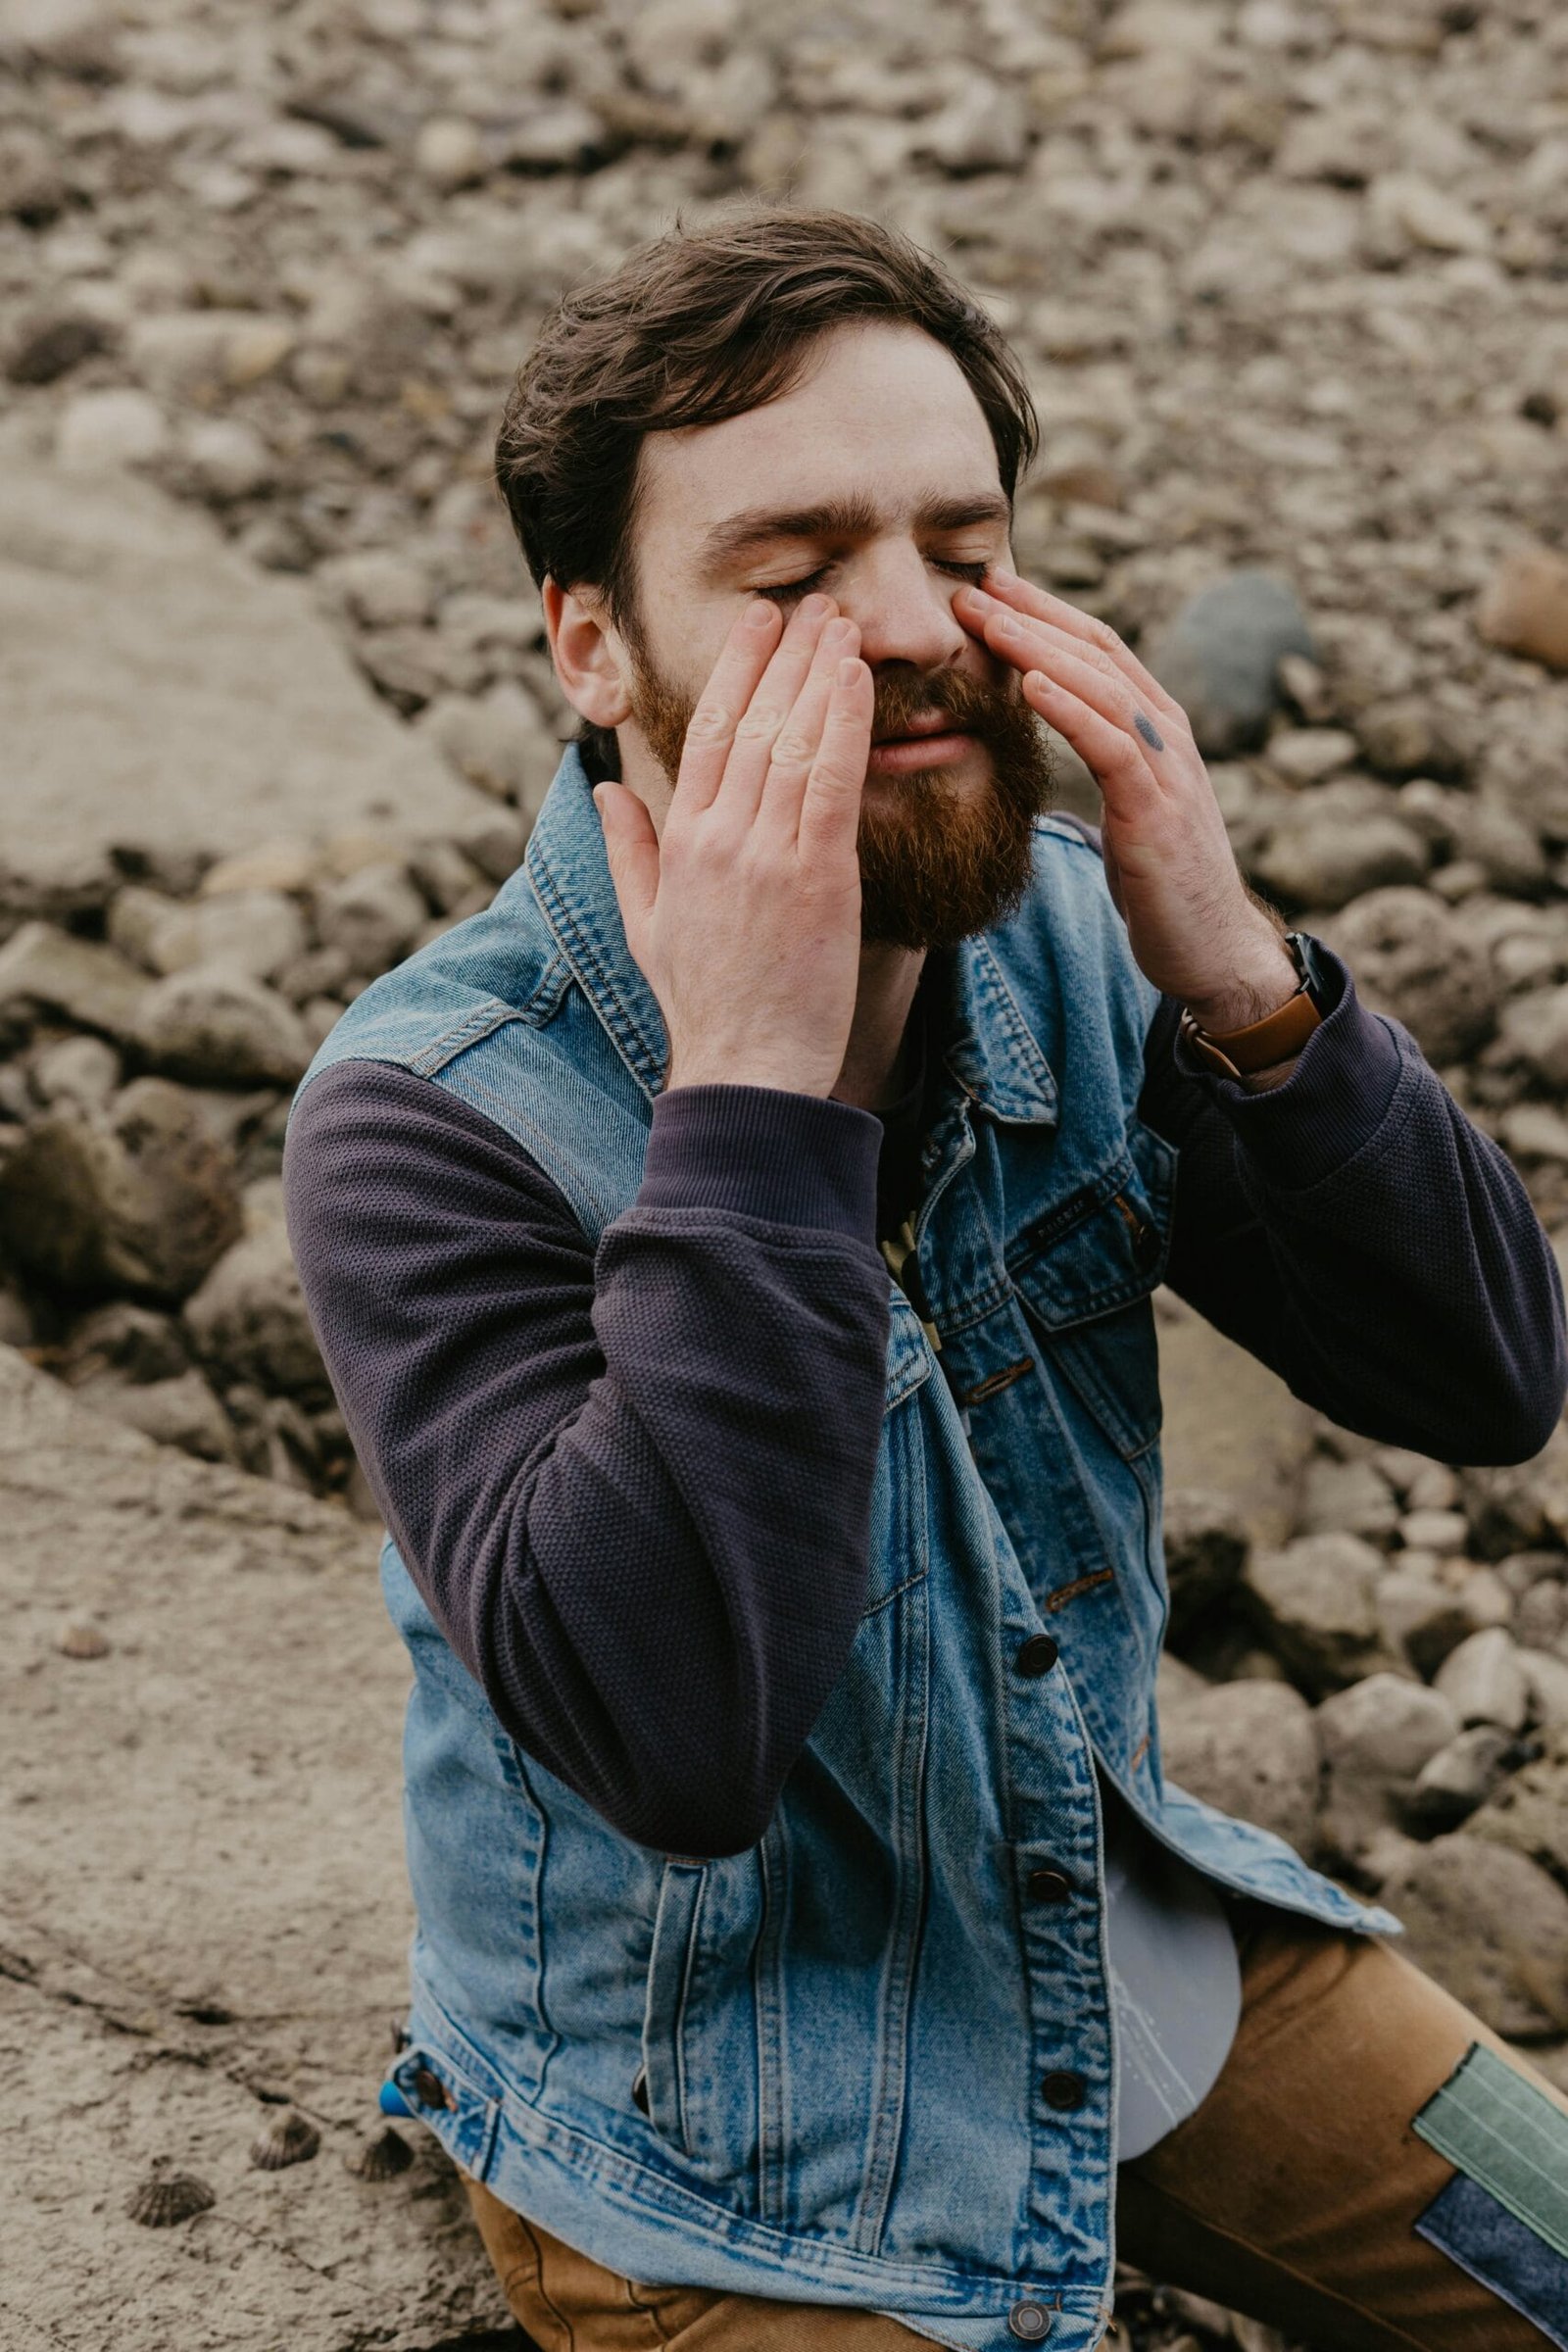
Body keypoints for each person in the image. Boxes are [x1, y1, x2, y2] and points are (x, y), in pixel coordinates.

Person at [282, 209, 1568, 2352]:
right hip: (713, 2158)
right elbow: (671, 1739)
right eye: (792, 580)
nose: (911, 629)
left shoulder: (1070, 943)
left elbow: (1487, 1377)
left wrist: (1239, 984)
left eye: (959, 547)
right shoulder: (427, 1121)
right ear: (588, 648)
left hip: (1111, 1924)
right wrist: (755, 1091)